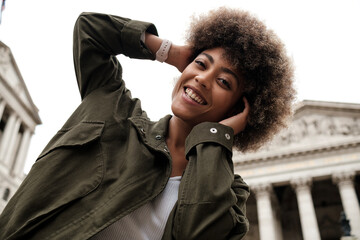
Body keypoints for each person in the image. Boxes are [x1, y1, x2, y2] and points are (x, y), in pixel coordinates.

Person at [0, 7, 295, 240]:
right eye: (201, 64)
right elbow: (89, 30)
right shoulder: (114, 109)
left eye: (223, 81)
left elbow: (200, 233)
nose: (202, 78)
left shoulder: (231, 194)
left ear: (241, 108)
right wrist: (170, 52)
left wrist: (217, 136)